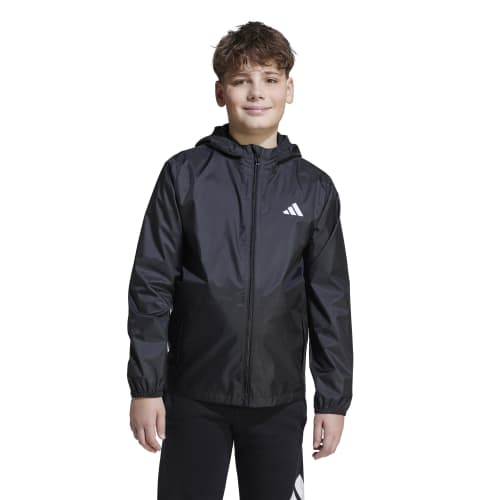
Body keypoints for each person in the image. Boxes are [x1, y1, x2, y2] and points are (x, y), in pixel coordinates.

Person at [126, 20, 354, 500]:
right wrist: (146, 387)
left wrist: (332, 399)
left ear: (289, 89)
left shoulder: (313, 188)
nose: (256, 93)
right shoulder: (184, 175)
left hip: (279, 401)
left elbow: (329, 300)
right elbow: (151, 285)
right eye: (240, 80)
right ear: (219, 92)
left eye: (270, 79)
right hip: (194, 395)